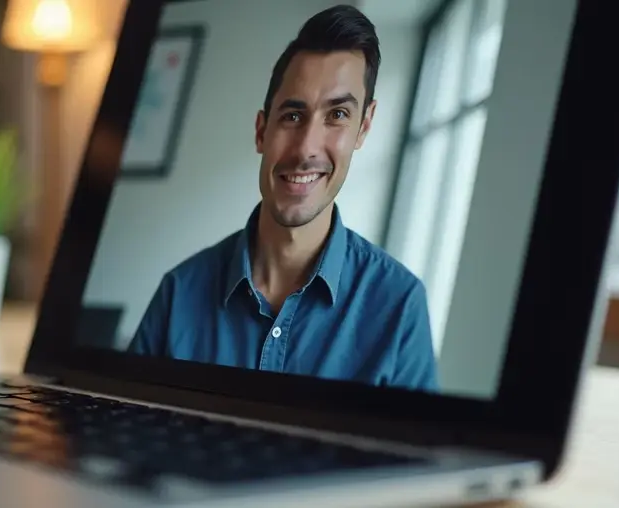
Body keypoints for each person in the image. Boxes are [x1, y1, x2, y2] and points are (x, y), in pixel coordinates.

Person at [127, 4, 438, 392]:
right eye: (292, 116)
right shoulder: (178, 294)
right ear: (261, 130)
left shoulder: (400, 306)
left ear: (364, 128)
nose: (306, 148)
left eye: (338, 114)